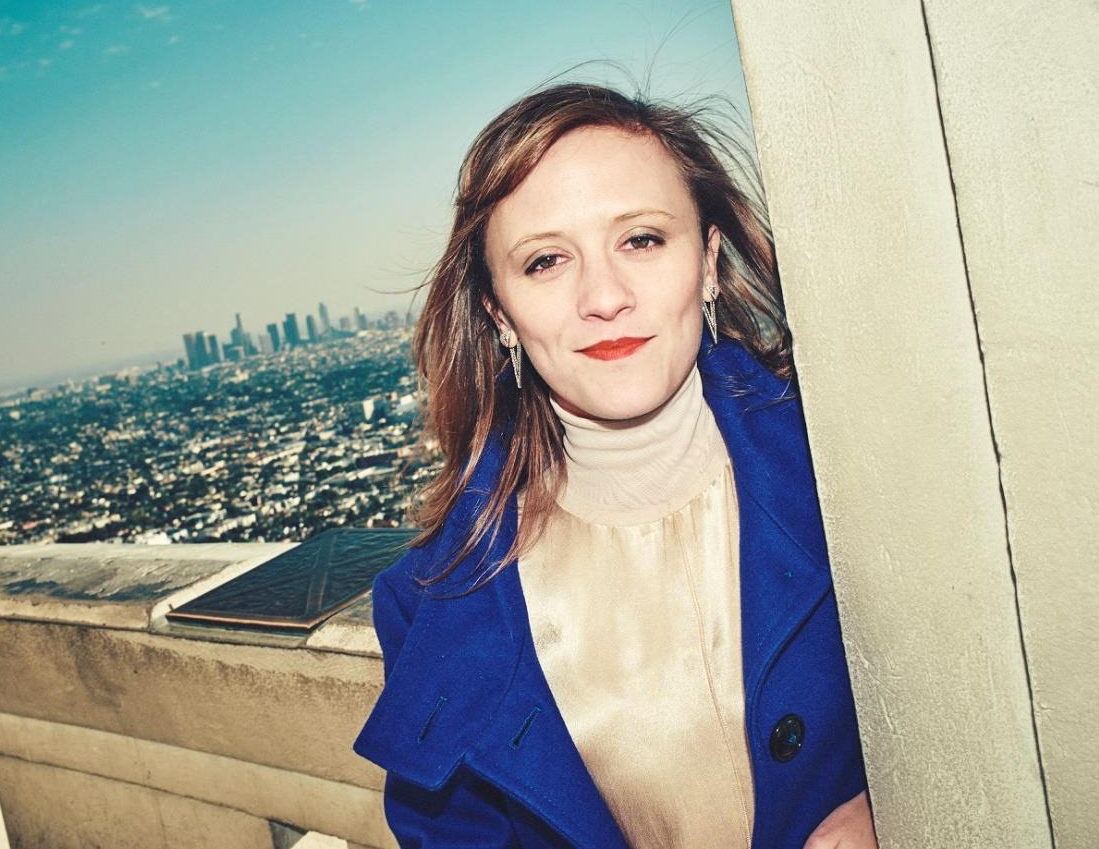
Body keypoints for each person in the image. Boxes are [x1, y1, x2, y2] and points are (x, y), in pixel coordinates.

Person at [353, 81, 876, 849]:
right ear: (499, 312)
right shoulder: (431, 603)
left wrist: (896, 799)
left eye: (641, 240)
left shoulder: (854, 465)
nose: (603, 296)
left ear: (707, 262)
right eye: (545, 261)